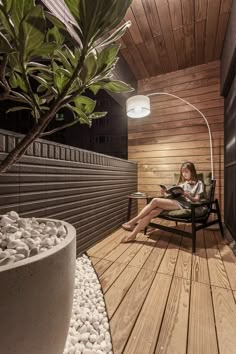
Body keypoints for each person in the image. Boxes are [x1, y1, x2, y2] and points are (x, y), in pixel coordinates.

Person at [121, 161, 204, 243]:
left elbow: (197, 199)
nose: (184, 174)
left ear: (192, 171)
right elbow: (172, 196)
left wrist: (187, 195)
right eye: (182, 172)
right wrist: (164, 193)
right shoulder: (182, 183)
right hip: (175, 202)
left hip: (186, 204)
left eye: (186, 172)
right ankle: (133, 234)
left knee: (155, 200)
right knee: (152, 213)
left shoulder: (198, 183)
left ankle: (133, 222)